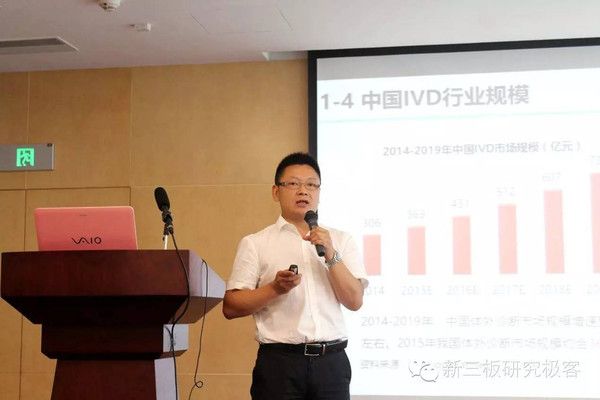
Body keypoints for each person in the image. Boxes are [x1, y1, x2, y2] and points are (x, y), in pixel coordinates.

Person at [223, 152, 369, 400]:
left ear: (319, 192)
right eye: (293, 183)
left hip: (331, 365)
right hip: (280, 365)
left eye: (311, 185)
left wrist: (331, 253)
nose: (303, 191)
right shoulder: (255, 243)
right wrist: (275, 289)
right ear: (276, 192)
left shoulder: (341, 240)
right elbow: (231, 306)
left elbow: (354, 301)